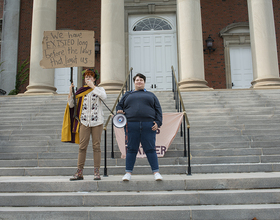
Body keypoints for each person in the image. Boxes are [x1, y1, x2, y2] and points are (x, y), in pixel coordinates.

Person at [61, 69, 106, 181]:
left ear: (95, 79)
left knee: (96, 146)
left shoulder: (99, 89)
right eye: (86, 77)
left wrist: (93, 87)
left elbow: (103, 96)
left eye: (91, 77)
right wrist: (71, 91)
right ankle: (79, 172)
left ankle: (96, 172)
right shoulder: (80, 91)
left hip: (97, 122)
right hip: (84, 122)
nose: (88, 79)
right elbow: (71, 105)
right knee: (82, 147)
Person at [116, 73, 163, 181]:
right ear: (134, 82)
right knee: (131, 149)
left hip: (148, 125)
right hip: (131, 125)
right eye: (137, 80)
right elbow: (119, 106)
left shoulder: (151, 95)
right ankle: (128, 173)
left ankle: (156, 172)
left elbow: (158, 110)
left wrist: (158, 122)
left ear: (144, 82)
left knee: (150, 149)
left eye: (141, 80)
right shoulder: (127, 95)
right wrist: (119, 111)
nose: (139, 82)